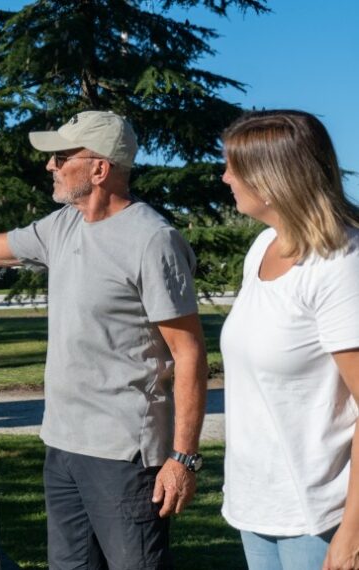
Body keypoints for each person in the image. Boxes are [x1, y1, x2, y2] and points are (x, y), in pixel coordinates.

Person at [0, 111, 208, 569]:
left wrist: (183, 459)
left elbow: (189, 353)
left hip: (124, 454)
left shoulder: (152, 240)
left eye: (61, 157)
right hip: (63, 444)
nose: (50, 166)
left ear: (99, 168)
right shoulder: (61, 226)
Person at [217, 110, 359, 570]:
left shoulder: (340, 263)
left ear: (271, 179)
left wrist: (352, 533)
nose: (224, 178)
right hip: (257, 505)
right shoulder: (262, 247)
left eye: (233, 168)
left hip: (320, 515)